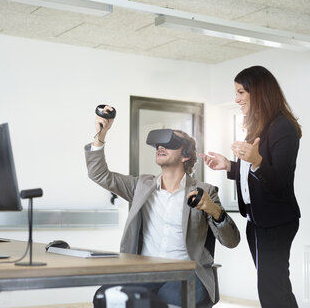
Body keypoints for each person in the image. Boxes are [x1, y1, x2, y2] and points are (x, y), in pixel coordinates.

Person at [85, 107, 240, 307]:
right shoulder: (141, 186)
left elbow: (232, 241)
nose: (160, 147)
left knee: (170, 299)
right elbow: (99, 174)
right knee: (106, 296)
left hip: (188, 273)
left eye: (169, 143)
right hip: (146, 272)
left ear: (185, 155)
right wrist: (101, 134)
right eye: (158, 143)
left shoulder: (205, 191)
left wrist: (214, 211)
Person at [203, 66, 301, 308]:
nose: (236, 99)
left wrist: (257, 160)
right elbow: (254, 175)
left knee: (272, 288)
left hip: (276, 221)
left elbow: (280, 185)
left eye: (241, 92)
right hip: (257, 221)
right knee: (271, 287)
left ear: (259, 93)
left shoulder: (283, 128)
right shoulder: (257, 126)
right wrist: (229, 166)